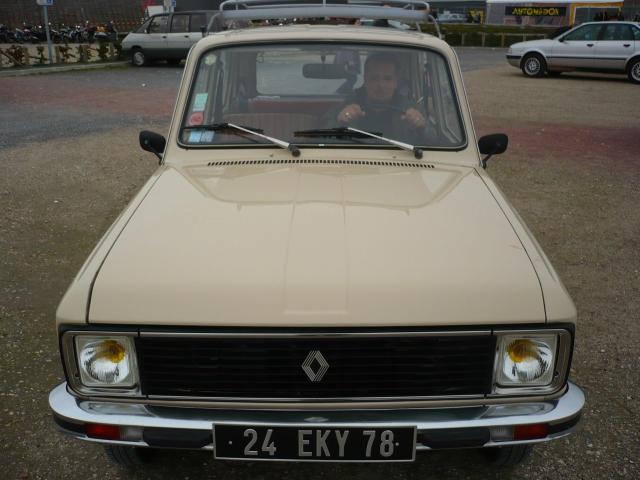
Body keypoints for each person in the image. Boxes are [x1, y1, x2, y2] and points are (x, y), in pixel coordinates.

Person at [334, 52, 426, 141]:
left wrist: (421, 126)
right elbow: (324, 134)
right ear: (365, 79)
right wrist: (341, 121)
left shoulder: (410, 108)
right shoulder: (347, 105)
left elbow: (435, 140)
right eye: (374, 78)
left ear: (396, 81)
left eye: (387, 79)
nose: (381, 85)